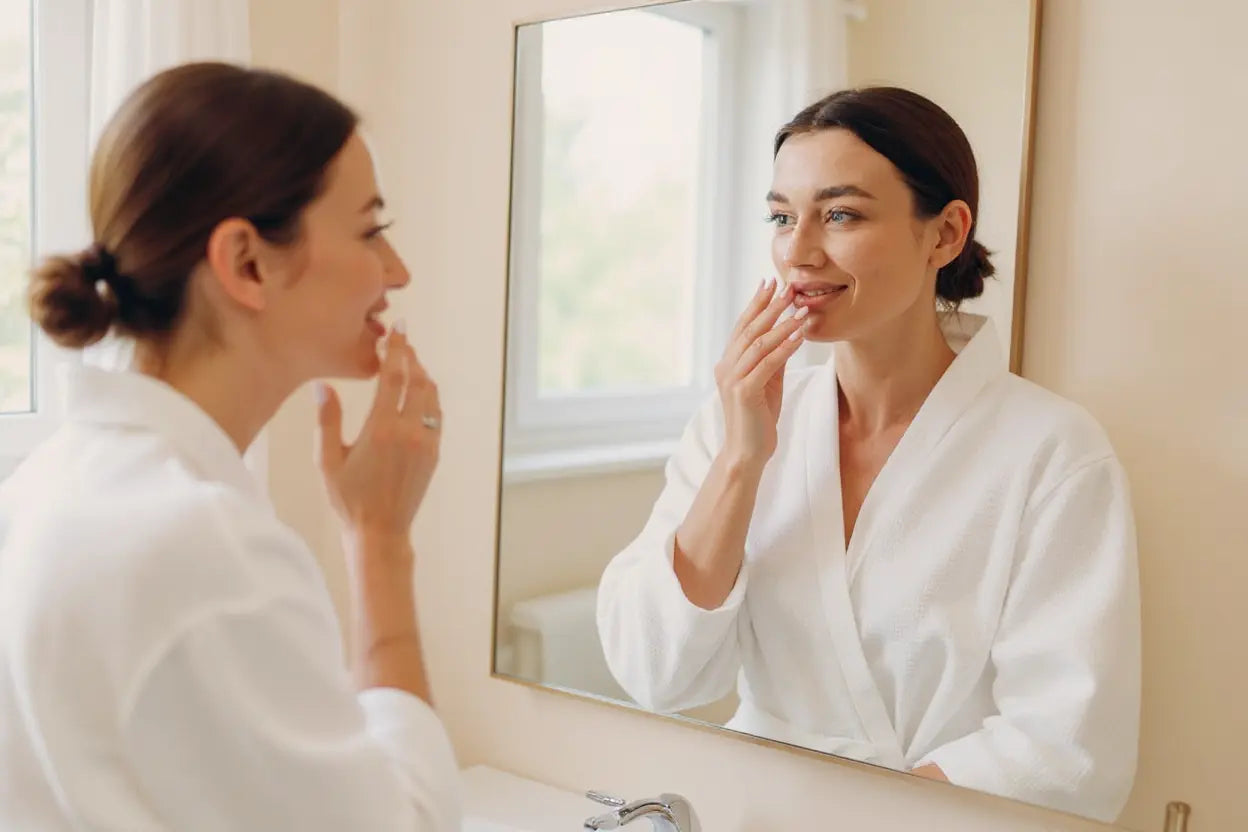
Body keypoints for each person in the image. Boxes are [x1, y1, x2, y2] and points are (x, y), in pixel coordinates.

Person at [597, 87, 1140, 822]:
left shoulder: (1052, 452)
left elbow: (1070, 744)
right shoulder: (736, 423)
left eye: (840, 214)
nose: (797, 250)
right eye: (782, 216)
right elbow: (657, 675)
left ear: (944, 235)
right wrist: (741, 462)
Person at [0, 63, 459, 830]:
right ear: (247, 263)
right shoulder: (205, 551)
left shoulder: (39, 486)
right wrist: (379, 543)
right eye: (371, 230)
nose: (398, 271)